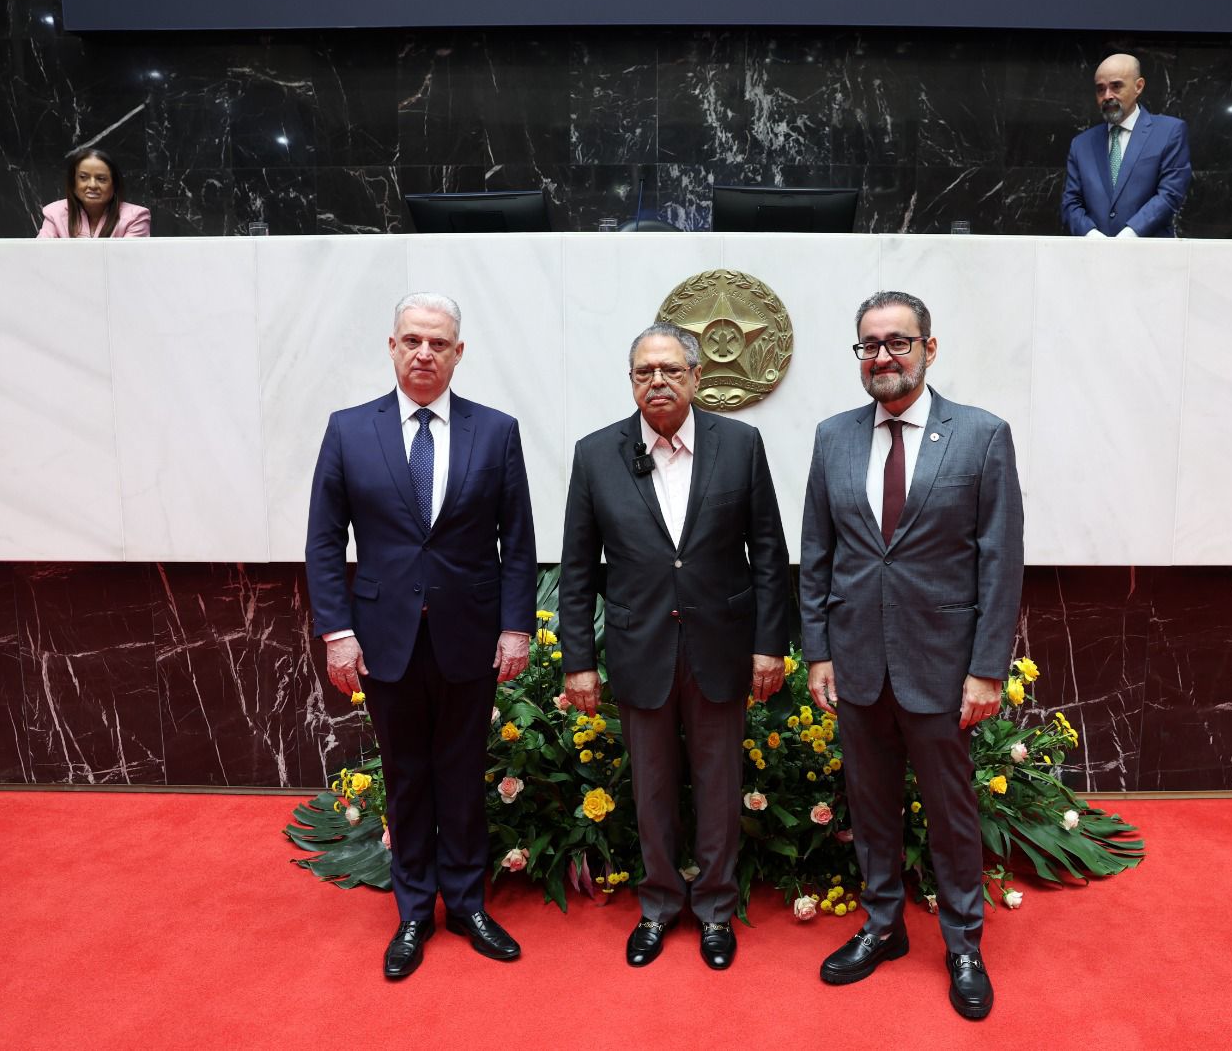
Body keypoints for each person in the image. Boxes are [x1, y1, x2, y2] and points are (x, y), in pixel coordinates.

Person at [799, 291, 1024, 1022]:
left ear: (930, 348)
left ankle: (963, 944)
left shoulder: (981, 435)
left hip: (943, 666)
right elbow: (817, 553)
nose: (883, 356)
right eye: (869, 345)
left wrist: (986, 669)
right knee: (870, 806)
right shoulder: (833, 437)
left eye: (898, 341)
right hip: (857, 661)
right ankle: (883, 925)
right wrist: (818, 651)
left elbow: (1000, 562)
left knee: (951, 813)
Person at [305, 292, 537, 980]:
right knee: (406, 778)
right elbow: (324, 541)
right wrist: (337, 632)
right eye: (412, 340)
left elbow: (518, 541)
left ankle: (466, 905)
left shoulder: (495, 432)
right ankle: (412, 912)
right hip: (384, 638)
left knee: (462, 776)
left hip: (470, 634)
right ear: (392, 346)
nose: (424, 353)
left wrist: (516, 627)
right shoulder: (349, 430)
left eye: (438, 343)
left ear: (459, 353)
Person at [558, 323, 791, 972]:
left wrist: (770, 645)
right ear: (631, 381)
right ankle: (659, 904)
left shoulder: (740, 445)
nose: (656, 381)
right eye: (644, 372)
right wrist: (579, 662)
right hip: (640, 647)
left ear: (696, 376)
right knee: (652, 788)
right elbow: (577, 568)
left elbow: (769, 553)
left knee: (719, 786)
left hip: (721, 645)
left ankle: (715, 908)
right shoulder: (595, 453)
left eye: (669, 370)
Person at [1061, 53, 1192, 238]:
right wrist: (1092, 237)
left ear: (1138, 86)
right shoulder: (1081, 144)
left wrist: (1129, 236)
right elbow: (1071, 203)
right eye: (1100, 89)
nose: (1107, 96)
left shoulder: (1169, 132)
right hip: (1095, 252)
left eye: (1116, 86)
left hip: (1150, 251)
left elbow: (1170, 194)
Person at [37, 148, 151, 238]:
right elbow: (42, 255)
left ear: (114, 184)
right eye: (83, 177)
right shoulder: (54, 213)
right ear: (73, 182)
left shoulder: (135, 217)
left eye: (101, 179)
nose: (92, 185)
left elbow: (128, 258)